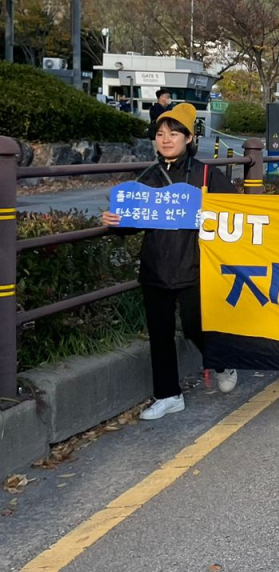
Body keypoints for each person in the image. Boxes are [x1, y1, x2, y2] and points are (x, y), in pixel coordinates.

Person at [101, 103, 238, 420]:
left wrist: (211, 217)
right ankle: (168, 395)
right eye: (160, 133)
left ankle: (221, 361)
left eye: (174, 133)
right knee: (159, 333)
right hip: (156, 265)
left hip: (195, 266)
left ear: (189, 138)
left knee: (194, 326)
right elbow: (134, 220)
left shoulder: (206, 174)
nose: (166, 139)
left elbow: (233, 211)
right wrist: (116, 222)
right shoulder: (147, 177)